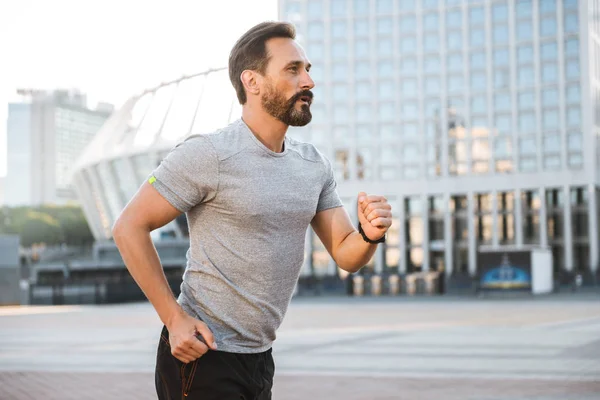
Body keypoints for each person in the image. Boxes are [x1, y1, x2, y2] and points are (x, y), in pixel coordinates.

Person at [112, 21, 393, 400]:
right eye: (293, 69)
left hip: (260, 359)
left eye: (308, 70)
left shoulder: (313, 165)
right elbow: (128, 226)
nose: (308, 81)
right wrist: (173, 318)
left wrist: (370, 234)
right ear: (252, 81)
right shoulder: (208, 154)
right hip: (202, 354)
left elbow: (346, 252)